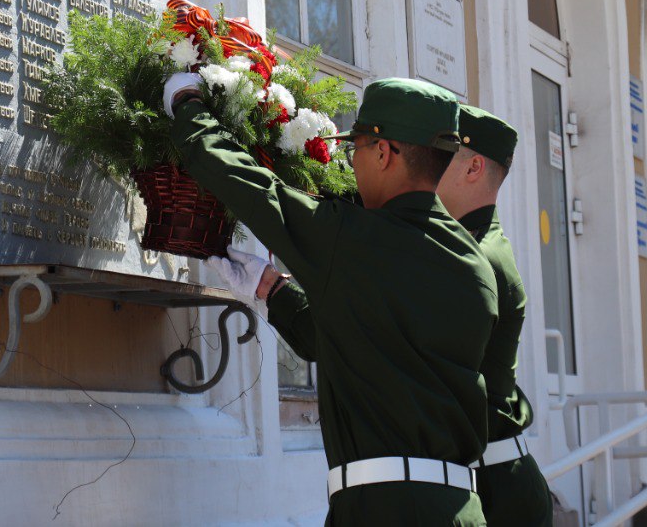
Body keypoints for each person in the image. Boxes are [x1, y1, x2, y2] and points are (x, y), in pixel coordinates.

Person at [163, 74, 498, 526]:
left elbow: (250, 187)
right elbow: (353, 345)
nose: (351, 160)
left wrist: (187, 104)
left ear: (384, 152)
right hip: (461, 508)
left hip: (384, 511)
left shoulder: (355, 239)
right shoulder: (475, 266)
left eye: (356, 145)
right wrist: (271, 289)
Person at [436, 105, 552, 525]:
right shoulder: (470, 241)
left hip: (496, 492)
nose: (424, 165)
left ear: (473, 168)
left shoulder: (478, 257)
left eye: (439, 154)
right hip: (491, 479)